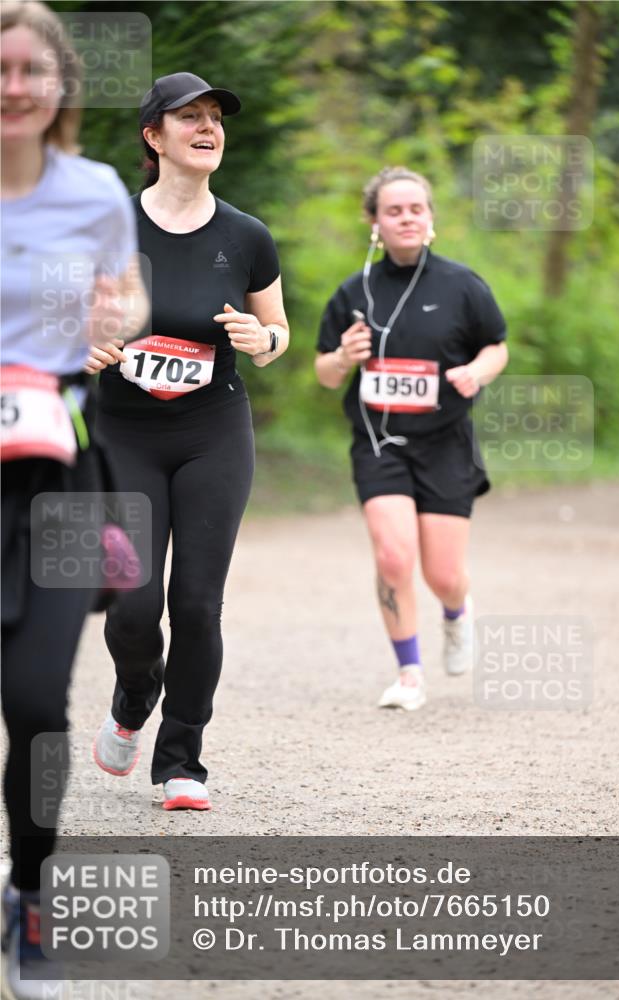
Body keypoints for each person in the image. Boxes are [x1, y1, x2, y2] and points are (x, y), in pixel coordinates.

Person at [87, 72, 289, 811]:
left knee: (198, 604)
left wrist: (260, 337)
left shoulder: (244, 235)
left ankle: (182, 762)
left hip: (213, 432)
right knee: (134, 609)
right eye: (190, 118)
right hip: (123, 434)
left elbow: (277, 334)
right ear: (154, 136)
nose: (208, 128)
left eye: (215, 119)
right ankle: (134, 690)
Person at [0, 2, 147, 996]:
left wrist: (118, 313)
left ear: (59, 87)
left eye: (27, 70)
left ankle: (35, 891)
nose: (11, 86)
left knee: (36, 702)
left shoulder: (96, 191)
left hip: (55, 469)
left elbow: (130, 293)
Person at [315, 166, 508, 711]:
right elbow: (325, 374)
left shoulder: (463, 285)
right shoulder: (355, 291)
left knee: (444, 575)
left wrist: (478, 372)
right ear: (374, 221)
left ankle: (456, 610)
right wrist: (342, 358)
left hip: (446, 441)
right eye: (394, 210)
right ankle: (408, 673)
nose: (406, 218)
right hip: (379, 443)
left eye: (416, 209)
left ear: (431, 219)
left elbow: (497, 345)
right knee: (394, 557)